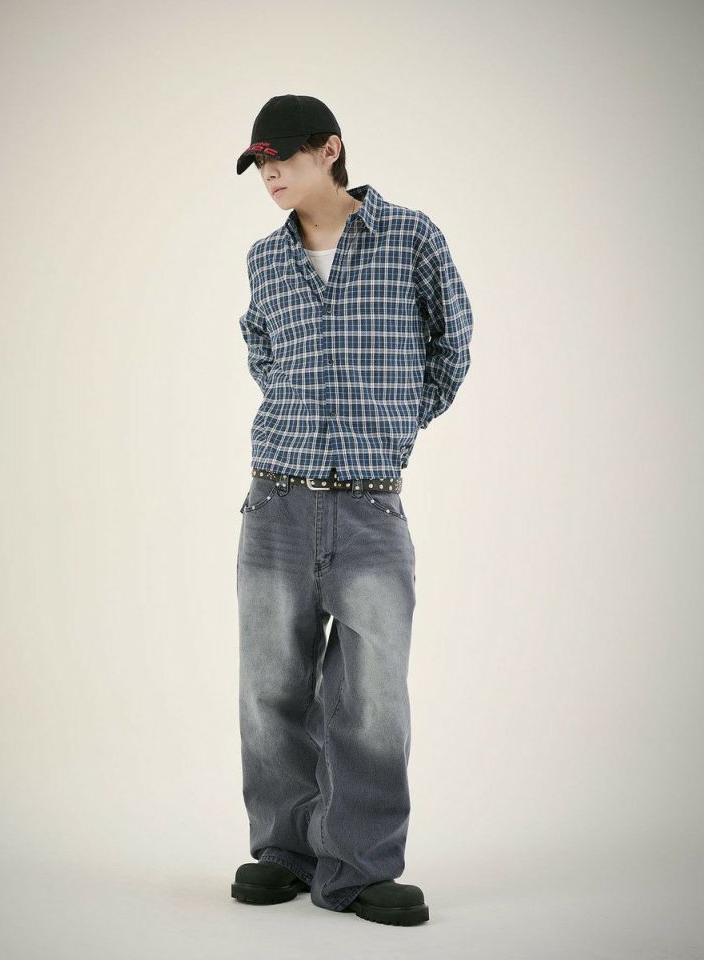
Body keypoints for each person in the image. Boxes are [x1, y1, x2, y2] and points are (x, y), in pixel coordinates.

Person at [230, 94, 473, 926]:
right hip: (275, 501)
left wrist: (392, 425)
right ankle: (286, 850)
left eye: (280, 159)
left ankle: (359, 866)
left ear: (329, 149)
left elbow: (452, 345)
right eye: (259, 166)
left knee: (371, 699)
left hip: (371, 509)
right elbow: (262, 350)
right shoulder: (265, 261)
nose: (268, 175)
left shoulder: (410, 237)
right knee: (271, 688)